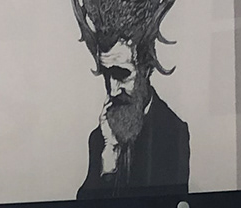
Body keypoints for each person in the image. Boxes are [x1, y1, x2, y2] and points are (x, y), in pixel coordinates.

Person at [80, 37, 190, 197]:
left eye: (121, 74)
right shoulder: (101, 137)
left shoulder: (173, 132)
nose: (113, 90)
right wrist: (109, 159)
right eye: (106, 75)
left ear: (146, 70)